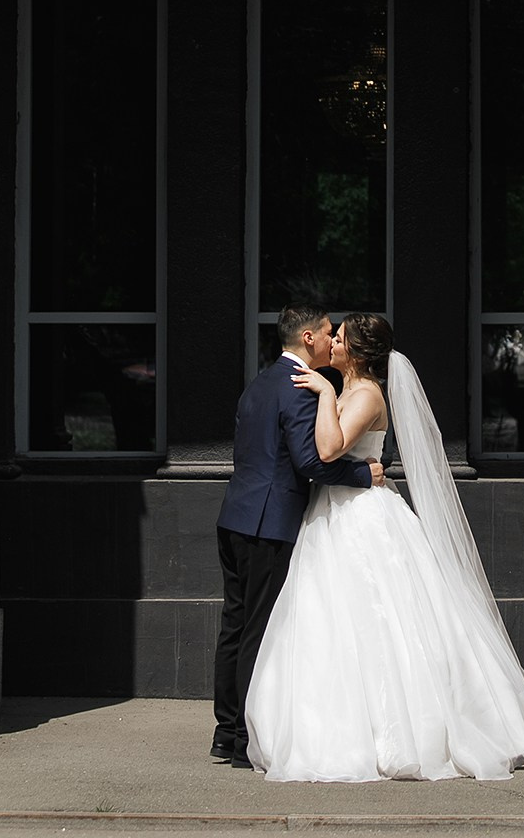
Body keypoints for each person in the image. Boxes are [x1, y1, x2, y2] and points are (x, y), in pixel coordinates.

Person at [244, 313, 524, 781]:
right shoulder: (348, 388)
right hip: (334, 511)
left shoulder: (366, 393)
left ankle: (404, 732)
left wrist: (326, 395)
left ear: (354, 351)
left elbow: (330, 449)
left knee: (380, 618)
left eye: (339, 338)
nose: (331, 343)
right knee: (328, 620)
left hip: (361, 517)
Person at [211, 302, 387, 770]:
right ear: (309, 338)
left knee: (234, 624)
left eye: (340, 335)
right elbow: (313, 462)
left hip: (235, 515)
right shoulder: (302, 390)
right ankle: (248, 736)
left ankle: (224, 731)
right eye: (329, 332)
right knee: (260, 628)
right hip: (268, 522)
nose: (332, 340)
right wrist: (365, 475)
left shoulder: (259, 384)